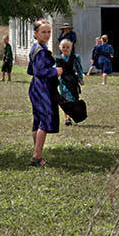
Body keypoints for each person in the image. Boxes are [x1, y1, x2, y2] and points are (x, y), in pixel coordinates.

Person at [28, 20, 62, 166]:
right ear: (35, 34)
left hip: (35, 87)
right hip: (42, 88)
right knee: (46, 119)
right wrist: (55, 71)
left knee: (38, 119)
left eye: (49, 32)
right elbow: (39, 71)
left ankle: (38, 155)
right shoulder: (41, 51)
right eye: (43, 32)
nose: (47, 34)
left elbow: (30, 70)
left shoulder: (36, 48)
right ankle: (36, 156)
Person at [55, 38, 85, 126]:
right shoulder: (58, 59)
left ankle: (71, 116)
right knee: (65, 101)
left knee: (73, 99)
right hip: (63, 82)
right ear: (60, 48)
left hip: (73, 81)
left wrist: (80, 79)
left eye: (67, 47)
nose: (65, 49)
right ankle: (67, 118)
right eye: (63, 47)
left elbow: (79, 69)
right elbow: (56, 71)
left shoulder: (75, 58)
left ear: (71, 48)